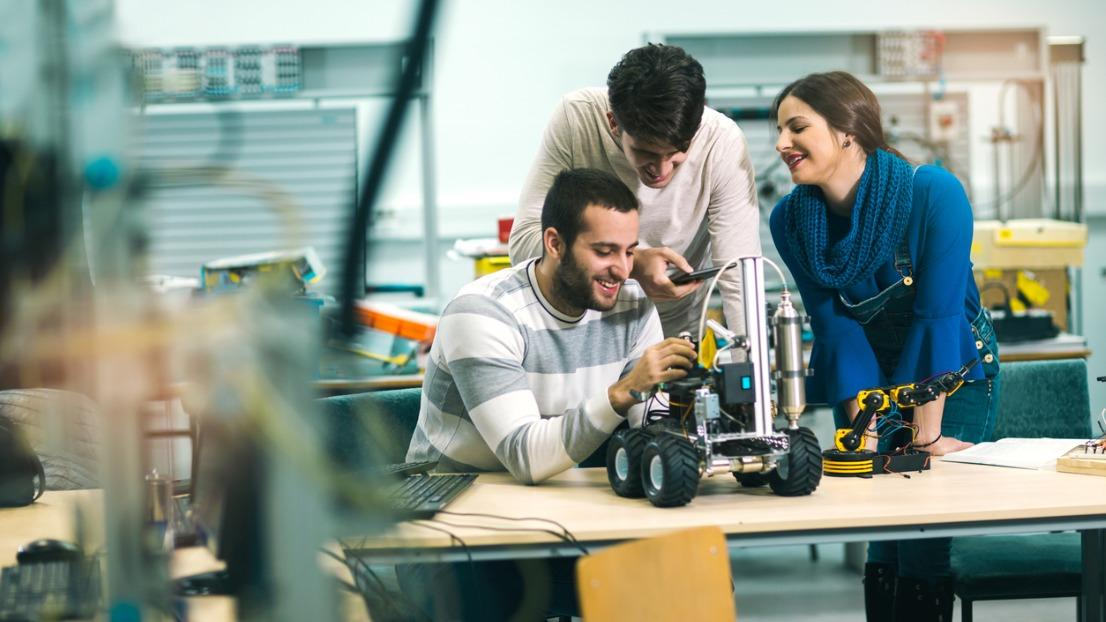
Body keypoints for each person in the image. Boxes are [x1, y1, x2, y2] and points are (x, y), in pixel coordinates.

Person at [402, 168, 696, 620]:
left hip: (562, 511)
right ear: (555, 243)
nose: (623, 269)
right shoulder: (483, 312)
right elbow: (526, 456)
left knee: (687, 584)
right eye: (604, 251)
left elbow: (651, 433)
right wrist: (623, 392)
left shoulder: (632, 304)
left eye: (629, 251)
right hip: (456, 529)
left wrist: (689, 416)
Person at [768, 71, 1001, 622]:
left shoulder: (932, 193)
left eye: (797, 127)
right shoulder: (791, 221)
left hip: (952, 378)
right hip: (873, 380)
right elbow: (838, 332)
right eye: (779, 130)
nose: (781, 143)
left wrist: (926, 439)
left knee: (921, 531)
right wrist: (864, 440)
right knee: (883, 530)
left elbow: (937, 318)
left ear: (848, 131)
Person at [508, 43, 761, 338]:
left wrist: (753, 357)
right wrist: (634, 263)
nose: (662, 170)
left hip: (672, 331)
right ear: (613, 123)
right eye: (646, 153)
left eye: (677, 152)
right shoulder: (577, 118)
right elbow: (524, 245)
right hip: (577, 329)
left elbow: (740, 275)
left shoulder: (721, 142)